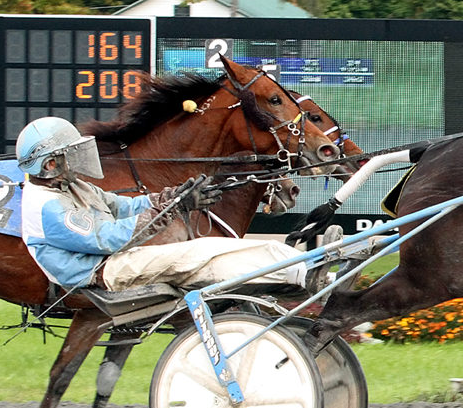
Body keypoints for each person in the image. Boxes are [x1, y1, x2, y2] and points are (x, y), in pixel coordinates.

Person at [16, 116, 312, 293]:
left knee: (208, 249)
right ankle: (295, 273)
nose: (78, 159)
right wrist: (170, 210)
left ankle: (302, 264)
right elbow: (107, 238)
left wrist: (171, 197)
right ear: (51, 163)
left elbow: (120, 206)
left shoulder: (71, 185)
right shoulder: (47, 206)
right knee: (198, 254)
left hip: (114, 260)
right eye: (70, 154)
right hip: (101, 271)